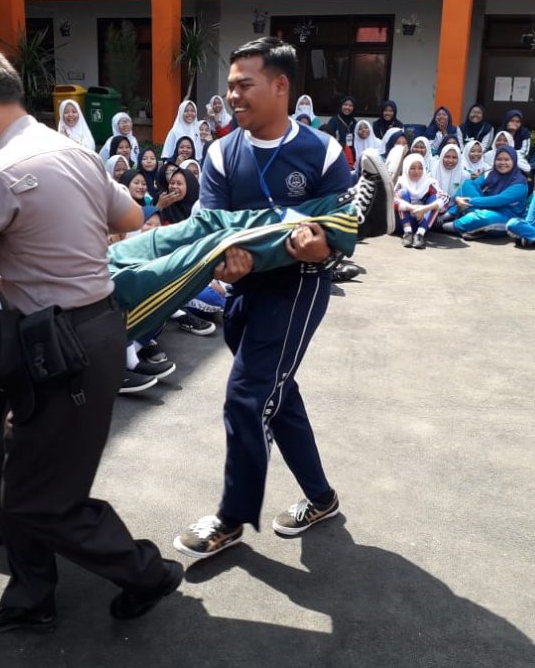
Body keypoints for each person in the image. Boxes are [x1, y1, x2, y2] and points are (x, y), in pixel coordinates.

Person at [0, 43, 182, 631]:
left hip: (61, 346)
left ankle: (145, 571)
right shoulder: (73, 151)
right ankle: (31, 596)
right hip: (82, 333)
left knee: (40, 499)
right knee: (14, 465)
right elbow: (130, 218)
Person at [175, 36, 355, 560]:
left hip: (298, 288)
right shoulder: (220, 153)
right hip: (243, 289)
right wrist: (228, 259)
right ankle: (321, 498)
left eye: (244, 85)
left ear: (280, 86)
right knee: (278, 393)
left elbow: (342, 229)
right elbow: (215, 230)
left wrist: (323, 246)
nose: (232, 96)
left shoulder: (321, 151)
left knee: (248, 396)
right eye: (230, 86)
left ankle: (231, 518)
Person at [442, 145, 528, 239]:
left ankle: (445, 227)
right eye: (499, 159)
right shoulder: (491, 174)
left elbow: (499, 200)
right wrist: (458, 199)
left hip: (504, 217)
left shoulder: (520, 183)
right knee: (467, 183)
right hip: (484, 208)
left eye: (507, 159)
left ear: (514, 161)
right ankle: (450, 215)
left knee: (485, 217)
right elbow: (470, 186)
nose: (502, 163)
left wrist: (469, 201)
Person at [395, 153, 439, 249]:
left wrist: (424, 209)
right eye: (412, 168)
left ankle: (420, 235)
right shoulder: (400, 182)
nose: (417, 171)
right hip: (401, 223)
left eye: (420, 168)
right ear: (406, 168)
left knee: (436, 200)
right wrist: (412, 208)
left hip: (421, 222)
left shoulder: (429, 183)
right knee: (403, 193)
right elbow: (391, 200)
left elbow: (444, 199)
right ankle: (408, 233)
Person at [429, 142, 465, 219]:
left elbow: (464, 197)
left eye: (454, 157)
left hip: (455, 210)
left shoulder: (465, 175)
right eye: (447, 157)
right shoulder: (433, 172)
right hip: (434, 207)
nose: (450, 160)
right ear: (442, 156)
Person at [320, 95, 358, 163]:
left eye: (350, 105)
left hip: (352, 154)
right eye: (345, 105)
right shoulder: (334, 121)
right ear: (341, 106)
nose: (347, 107)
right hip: (338, 154)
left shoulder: (354, 122)